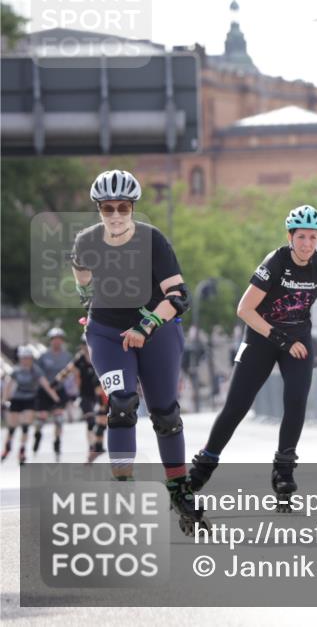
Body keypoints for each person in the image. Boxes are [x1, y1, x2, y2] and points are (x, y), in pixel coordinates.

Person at [189, 205, 317, 509]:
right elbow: (244, 310)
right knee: (236, 406)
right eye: (301, 237)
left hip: (298, 340)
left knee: (295, 400)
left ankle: (283, 470)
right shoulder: (275, 262)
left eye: (313, 237)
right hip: (262, 339)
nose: (307, 244)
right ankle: (203, 466)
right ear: (290, 236)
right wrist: (280, 338)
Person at [70, 169, 206, 534]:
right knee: (122, 404)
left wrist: (145, 326)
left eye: (123, 207)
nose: (115, 215)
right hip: (107, 332)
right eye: (108, 208)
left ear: (133, 208)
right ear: (99, 209)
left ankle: (178, 487)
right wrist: (88, 300)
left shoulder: (152, 241)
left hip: (155, 329)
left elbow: (179, 296)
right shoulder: (86, 241)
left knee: (165, 414)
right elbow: (81, 272)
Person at [2, 346, 61, 465]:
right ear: (20, 359)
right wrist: (4, 400)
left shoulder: (36, 370)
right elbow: (8, 385)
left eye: (28, 358)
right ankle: (7, 448)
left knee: (25, 426)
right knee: (12, 428)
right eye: (23, 358)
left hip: (30, 399)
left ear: (31, 359)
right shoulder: (16, 370)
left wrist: (55, 398)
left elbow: (45, 385)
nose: (25, 360)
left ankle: (22, 450)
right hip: (17, 399)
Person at [33, 327, 73, 458]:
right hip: (45, 390)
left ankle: (57, 442)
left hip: (59, 390)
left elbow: (70, 373)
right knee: (41, 420)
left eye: (59, 339)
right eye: (54, 339)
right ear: (51, 341)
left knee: (59, 419)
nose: (57, 342)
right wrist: (48, 388)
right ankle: (37, 435)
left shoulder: (67, 356)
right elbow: (38, 375)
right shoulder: (43, 356)